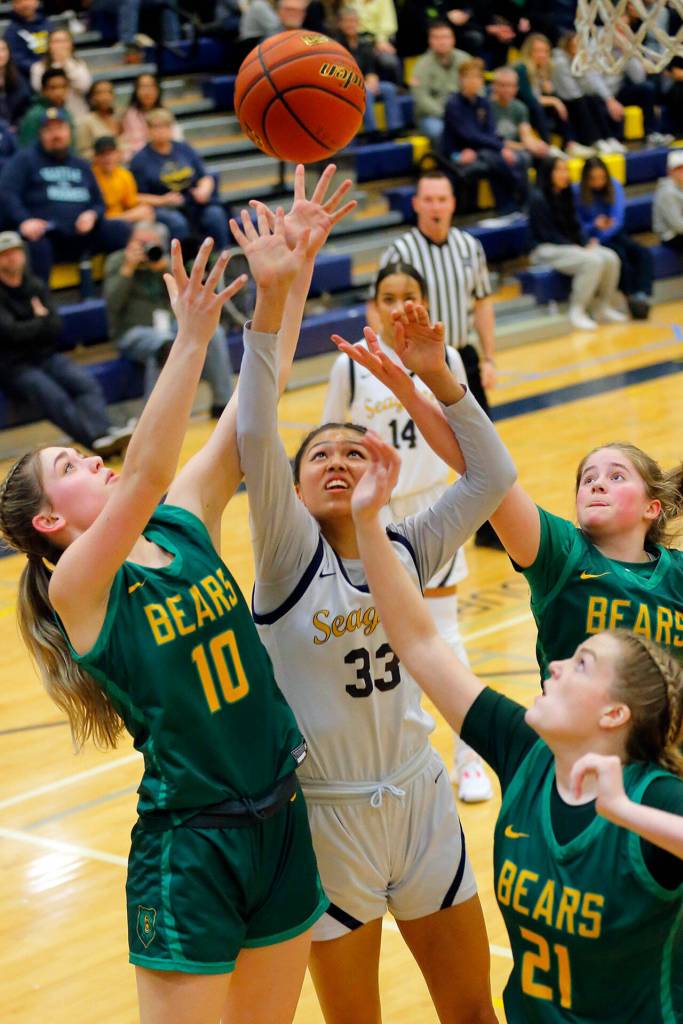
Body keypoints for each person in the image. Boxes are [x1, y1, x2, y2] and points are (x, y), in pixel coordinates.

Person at [0, 163, 357, 1024]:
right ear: (50, 525)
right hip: (191, 846)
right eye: (71, 469)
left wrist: (290, 274)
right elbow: (149, 466)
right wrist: (191, 334)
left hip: (277, 816)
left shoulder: (181, 524)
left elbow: (253, 408)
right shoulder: (78, 585)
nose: (93, 459)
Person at [236, 206, 517, 1021]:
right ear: (291, 490)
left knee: (472, 1013)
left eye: (352, 450)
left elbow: (491, 475)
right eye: (318, 454)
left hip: (420, 799)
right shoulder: (287, 554)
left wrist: (435, 378)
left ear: (382, 470)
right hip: (328, 816)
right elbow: (256, 430)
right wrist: (272, 298)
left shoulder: (407, 543)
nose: (335, 460)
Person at [349, 430, 683, 1024]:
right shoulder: (526, 750)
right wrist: (368, 524)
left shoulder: (654, 798)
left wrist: (626, 813)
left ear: (614, 713)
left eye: (581, 664)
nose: (553, 663)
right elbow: (420, 643)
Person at [321, 260, 493, 803]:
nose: (398, 305)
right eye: (388, 296)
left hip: (432, 509)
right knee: (375, 644)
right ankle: (399, 762)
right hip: (371, 519)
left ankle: (469, 760)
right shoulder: (349, 368)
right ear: (373, 306)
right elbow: (328, 445)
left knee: (444, 637)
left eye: (408, 295)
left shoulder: (449, 358)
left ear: (424, 302)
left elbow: (471, 439)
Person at [380, 169, 501, 548]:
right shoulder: (399, 253)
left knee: (484, 445)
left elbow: (482, 302)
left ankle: (488, 528)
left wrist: (490, 357)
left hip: (461, 354)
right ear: (416, 204)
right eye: (428, 199)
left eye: (442, 199)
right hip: (417, 361)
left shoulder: (469, 247)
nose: (435, 206)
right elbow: (381, 311)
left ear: (453, 203)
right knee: (429, 448)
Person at [0, 229, 132, 456]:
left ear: (23, 254)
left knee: (85, 383)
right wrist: (40, 320)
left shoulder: (35, 285)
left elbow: (56, 327)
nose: (12, 257)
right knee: (53, 396)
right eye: (5, 254)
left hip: (46, 356)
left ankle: (103, 435)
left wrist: (35, 325)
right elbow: (9, 333)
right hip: (14, 366)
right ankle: (98, 441)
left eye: (15, 252)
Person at [104, 220, 233, 414]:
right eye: (140, 243)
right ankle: (155, 414)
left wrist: (166, 270)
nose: (145, 249)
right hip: (133, 332)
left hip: (171, 326)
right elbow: (112, 304)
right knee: (164, 344)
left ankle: (222, 403)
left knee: (214, 332)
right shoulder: (117, 260)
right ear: (130, 242)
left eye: (150, 244)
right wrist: (127, 270)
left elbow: (190, 298)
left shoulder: (167, 262)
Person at [0, 108, 131, 283]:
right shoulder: (24, 160)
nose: (56, 135)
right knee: (37, 246)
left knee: (119, 230)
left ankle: (119, 291)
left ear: (69, 132)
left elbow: (99, 202)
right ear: (40, 134)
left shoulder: (81, 165)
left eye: (60, 128)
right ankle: (40, 303)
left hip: (81, 234)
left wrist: (92, 215)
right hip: (47, 236)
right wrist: (24, 221)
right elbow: (7, 193)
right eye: (49, 130)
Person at [528, 156, 627, 331]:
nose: (564, 173)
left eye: (566, 169)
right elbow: (547, 233)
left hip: (569, 246)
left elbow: (576, 226)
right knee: (592, 261)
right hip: (545, 248)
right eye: (559, 169)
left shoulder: (567, 194)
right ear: (548, 173)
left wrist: (585, 242)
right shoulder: (538, 198)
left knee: (611, 257)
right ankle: (577, 310)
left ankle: (602, 307)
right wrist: (573, 245)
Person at [130, 108, 229, 252]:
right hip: (162, 207)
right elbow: (135, 196)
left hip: (191, 201)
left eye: (165, 126)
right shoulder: (140, 160)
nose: (161, 131)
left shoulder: (183, 148)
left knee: (215, 214)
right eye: (156, 127)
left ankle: (222, 257)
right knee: (178, 222)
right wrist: (163, 200)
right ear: (148, 131)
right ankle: (185, 265)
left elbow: (205, 177)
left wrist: (203, 190)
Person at [441, 58, 529, 214]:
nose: (474, 81)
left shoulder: (483, 103)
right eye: (469, 77)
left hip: (481, 150)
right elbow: (468, 135)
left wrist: (500, 148)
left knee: (511, 159)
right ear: (461, 80)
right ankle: (515, 203)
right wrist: (500, 147)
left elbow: (491, 132)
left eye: (478, 77)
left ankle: (510, 207)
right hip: (456, 153)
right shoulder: (454, 103)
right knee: (498, 160)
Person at [576, 156, 654, 320]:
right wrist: (594, 226)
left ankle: (642, 295)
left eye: (602, 177)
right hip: (590, 239)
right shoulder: (577, 192)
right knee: (621, 258)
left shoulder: (615, 185)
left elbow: (617, 220)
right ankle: (630, 298)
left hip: (611, 235)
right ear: (586, 178)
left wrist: (602, 234)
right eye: (594, 178)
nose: (598, 182)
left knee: (643, 253)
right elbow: (577, 224)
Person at [333, 5, 402, 138]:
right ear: (340, 24)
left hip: (367, 83)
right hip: (347, 86)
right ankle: (372, 132)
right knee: (366, 94)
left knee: (389, 89)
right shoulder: (336, 45)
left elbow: (370, 65)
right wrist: (361, 82)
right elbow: (339, 71)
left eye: (353, 21)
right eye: (347, 21)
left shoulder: (365, 41)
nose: (350, 24)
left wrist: (372, 76)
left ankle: (395, 128)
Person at [409, 20, 472, 148]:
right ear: (430, 41)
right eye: (436, 37)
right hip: (433, 116)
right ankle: (450, 161)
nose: (441, 41)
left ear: (453, 39)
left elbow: (477, 88)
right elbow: (421, 99)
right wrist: (447, 114)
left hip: (463, 112)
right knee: (440, 131)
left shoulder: (465, 60)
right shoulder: (421, 65)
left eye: (445, 37)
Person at [489, 65, 555, 165]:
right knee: (522, 158)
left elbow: (526, 134)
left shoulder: (520, 107)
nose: (507, 89)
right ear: (494, 86)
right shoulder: (486, 107)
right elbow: (492, 139)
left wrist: (537, 145)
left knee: (546, 158)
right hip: (495, 149)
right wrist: (523, 146)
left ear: (516, 88)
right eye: (503, 85)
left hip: (516, 149)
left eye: (511, 85)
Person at [29, 28, 91, 121]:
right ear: (49, 45)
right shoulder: (38, 68)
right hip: (50, 118)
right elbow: (39, 90)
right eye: (56, 42)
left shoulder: (79, 65)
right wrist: (58, 65)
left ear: (71, 45)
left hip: (78, 115)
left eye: (64, 41)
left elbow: (84, 86)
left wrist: (67, 64)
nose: (60, 45)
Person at [120, 72, 183, 161]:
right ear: (136, 91)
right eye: (142, 87)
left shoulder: (166, 111)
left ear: (157, 89)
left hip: (169, 155)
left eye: (151, 86)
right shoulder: (130, 115)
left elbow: (177, 138)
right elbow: (133, 146)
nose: (147, 92)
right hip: (143, 160)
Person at [91, 135, 154, 223]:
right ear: (96, 157)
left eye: (111, 153)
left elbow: (130, 203)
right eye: (103, 154)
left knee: (148, 215)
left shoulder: (124, 174)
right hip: (100, 222)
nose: (108, 158)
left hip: (122, 221)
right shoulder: (90, 176)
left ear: (118, 154)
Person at [18, 67, 75, 146]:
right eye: (53, 88)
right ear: (43, 91)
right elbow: (25, 148)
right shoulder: (34, 116)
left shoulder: (67, 114)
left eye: (63, 87)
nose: (59, 92)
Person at [3, 0, 52, 79]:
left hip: (52, 68)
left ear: (37, 2)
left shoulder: (48, 24)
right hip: (26, 76)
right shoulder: (11, 32)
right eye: (19, 1)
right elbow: (16, 59)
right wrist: (38, 68)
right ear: (13, 5)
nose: (25, 4)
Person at [653, 149, 683, 252]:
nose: (682, 172)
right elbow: (678, 225)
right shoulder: (667, 192)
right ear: (669, 171)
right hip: (670, 235)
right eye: (678, 169)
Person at [0, 37, 32, 127]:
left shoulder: (20, 79)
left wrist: (17, 125)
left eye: (3, 49)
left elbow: (27, 107)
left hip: (17, 130)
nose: (0, 54)